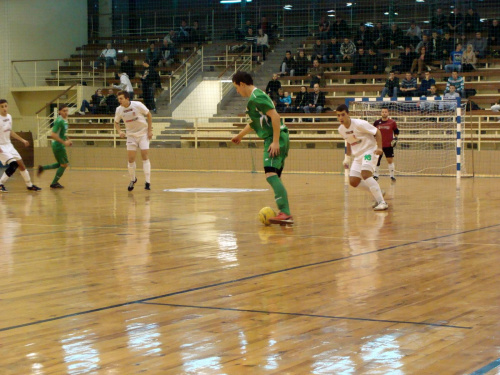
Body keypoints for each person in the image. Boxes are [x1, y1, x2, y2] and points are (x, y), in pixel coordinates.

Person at [230, 71, 293, 224]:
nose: (237, 92)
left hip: (275, 138)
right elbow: (255, 123)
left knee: (270, 174)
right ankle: (284, 212)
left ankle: (284, 212)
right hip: (273, 138)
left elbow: (275, 116)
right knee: (273, 175)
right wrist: (240, 135)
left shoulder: (258, 97)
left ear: (242, 84)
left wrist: (276, 141)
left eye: (236, 88)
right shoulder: (254, 99)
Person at [336, 104, 388, 211]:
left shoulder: (359, 124)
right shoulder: (341, 129)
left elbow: (377, 132)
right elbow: (349, 141)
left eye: (343, 115)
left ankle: (382, 202)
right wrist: (347, 157)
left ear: (348, 114)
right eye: (338, 115)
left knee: (365, 174)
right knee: (353, 181)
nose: (340, 118)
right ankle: (379, 192)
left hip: (369, 151)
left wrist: (379, 147)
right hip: (358, 155)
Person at [113, 91, 153, 191]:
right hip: (131, 136)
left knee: (144, 156)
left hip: (143, 134)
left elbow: (149, 115)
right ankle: (132, 179)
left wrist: (149, 131)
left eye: (121, 98)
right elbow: (116, 122)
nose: (119, 101)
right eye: (118, 99)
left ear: (127, 98)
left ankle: (147, 182)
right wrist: (119, 132)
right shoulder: (119, 110)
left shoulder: (137, 105)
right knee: (131, 159)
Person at [0, 99, 41, 192]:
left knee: (21, 165)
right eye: (2, 106)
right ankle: (0, 183)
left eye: (5, 106)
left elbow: (10, 131)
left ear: (8, 106)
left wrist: (23, 140)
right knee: (13, 165)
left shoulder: (9, 117)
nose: (4, 108)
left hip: (9, 145)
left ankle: (29, 185)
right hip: (1, 147)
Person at [37, 104, 72, 189]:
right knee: (64, 164)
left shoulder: (64, 120)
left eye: (67, 110)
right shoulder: (59, 121)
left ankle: (42, 168)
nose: (66, 112)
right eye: (64, 111)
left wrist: (68, 138)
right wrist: (64, 143)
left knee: (61, 164)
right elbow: (53, 135)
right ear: (59, 112)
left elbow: (62, 132)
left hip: (58, 145)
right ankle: (54, 183)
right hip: (58, 145)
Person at [373, 108, 399, 181]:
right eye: (383, 112)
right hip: (379, 145)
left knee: (390, 160)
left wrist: (396, 138)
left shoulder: (392, 122)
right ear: (381, 113)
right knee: (377, 160)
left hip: (388, 145)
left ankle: (392, 176)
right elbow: (373, 132)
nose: (384, 113)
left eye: (385, 112)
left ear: (388, 113)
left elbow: (396, 131)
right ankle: (375, 175)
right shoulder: (376, 122)